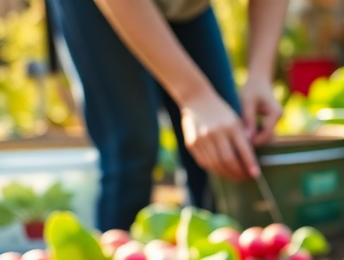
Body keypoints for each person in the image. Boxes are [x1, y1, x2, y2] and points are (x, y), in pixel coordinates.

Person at [48, 0, 288, 230]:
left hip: (185, 7)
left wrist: (259, 76)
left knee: (223, 147)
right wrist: (195, 97)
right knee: (131, 147)